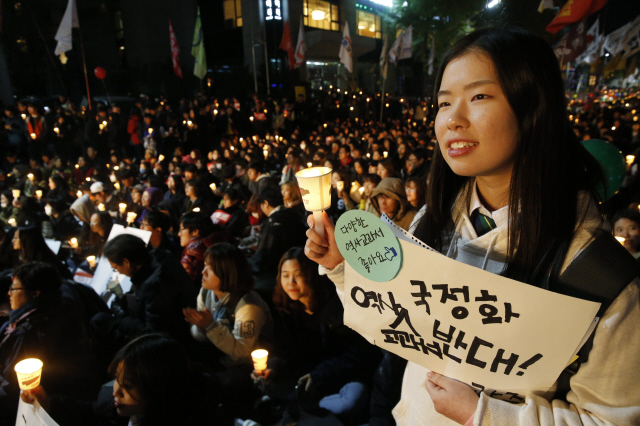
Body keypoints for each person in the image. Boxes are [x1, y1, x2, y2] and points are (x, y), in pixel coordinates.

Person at [304, 27, 640, 425]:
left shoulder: (603, 279)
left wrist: (483, 414)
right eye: (444, 103)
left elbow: (610, 420)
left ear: (534, 108)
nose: (453, 120)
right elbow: (398, 316)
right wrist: (345, 269)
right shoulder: (434, 219)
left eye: (479, 96)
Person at [268, 248, 380, 421]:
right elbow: (284, 349)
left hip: (343, 373)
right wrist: (272, 365)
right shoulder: (287, 310)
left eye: (298, 274)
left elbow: (359, 354)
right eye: (285, 275)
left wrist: (321, 375)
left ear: (312, 275)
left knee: (350, 402)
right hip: (309, 373)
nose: (291, 282)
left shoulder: (336, 307)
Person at [20, 334, 222, 426]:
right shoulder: (121, 404)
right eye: (117, 379)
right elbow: (95, 413)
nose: (116, 391)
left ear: (159, 389)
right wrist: (49, 403)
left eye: (129, 386)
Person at [0, 262, 99, 423]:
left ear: (35, 294)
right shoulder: (63, 307)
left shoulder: (30, 332)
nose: (9, 293)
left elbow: (11, 387)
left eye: (14, 288)